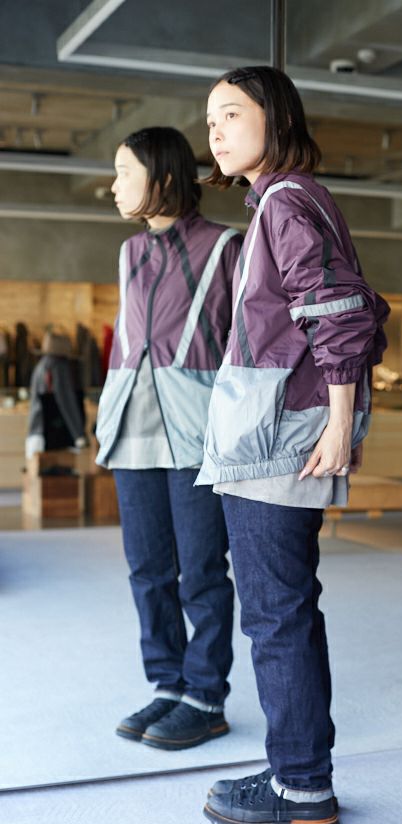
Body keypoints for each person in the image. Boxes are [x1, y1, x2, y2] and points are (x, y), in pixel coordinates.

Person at [199, 68, 390, 824]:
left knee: (276, 616)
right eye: (208, 120)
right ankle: (295, 768)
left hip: (277, 438)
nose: (214, 130)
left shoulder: (285, 200)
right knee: (283, 612)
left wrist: (339, 424)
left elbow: (338, 312)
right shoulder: (280, 203)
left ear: (273, 117)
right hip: (272, 433)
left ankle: (302, 786)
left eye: (230, 113)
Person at [95, 127, 242, 750]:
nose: (114, 185)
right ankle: (168, 684)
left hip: (195, 428)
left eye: (124, 172)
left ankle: (205, 697)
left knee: (201, 569)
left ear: (160, 176)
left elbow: (243, 343)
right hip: (133, 427)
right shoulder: (129, 252)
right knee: (147, 568)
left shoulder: (227, 246)